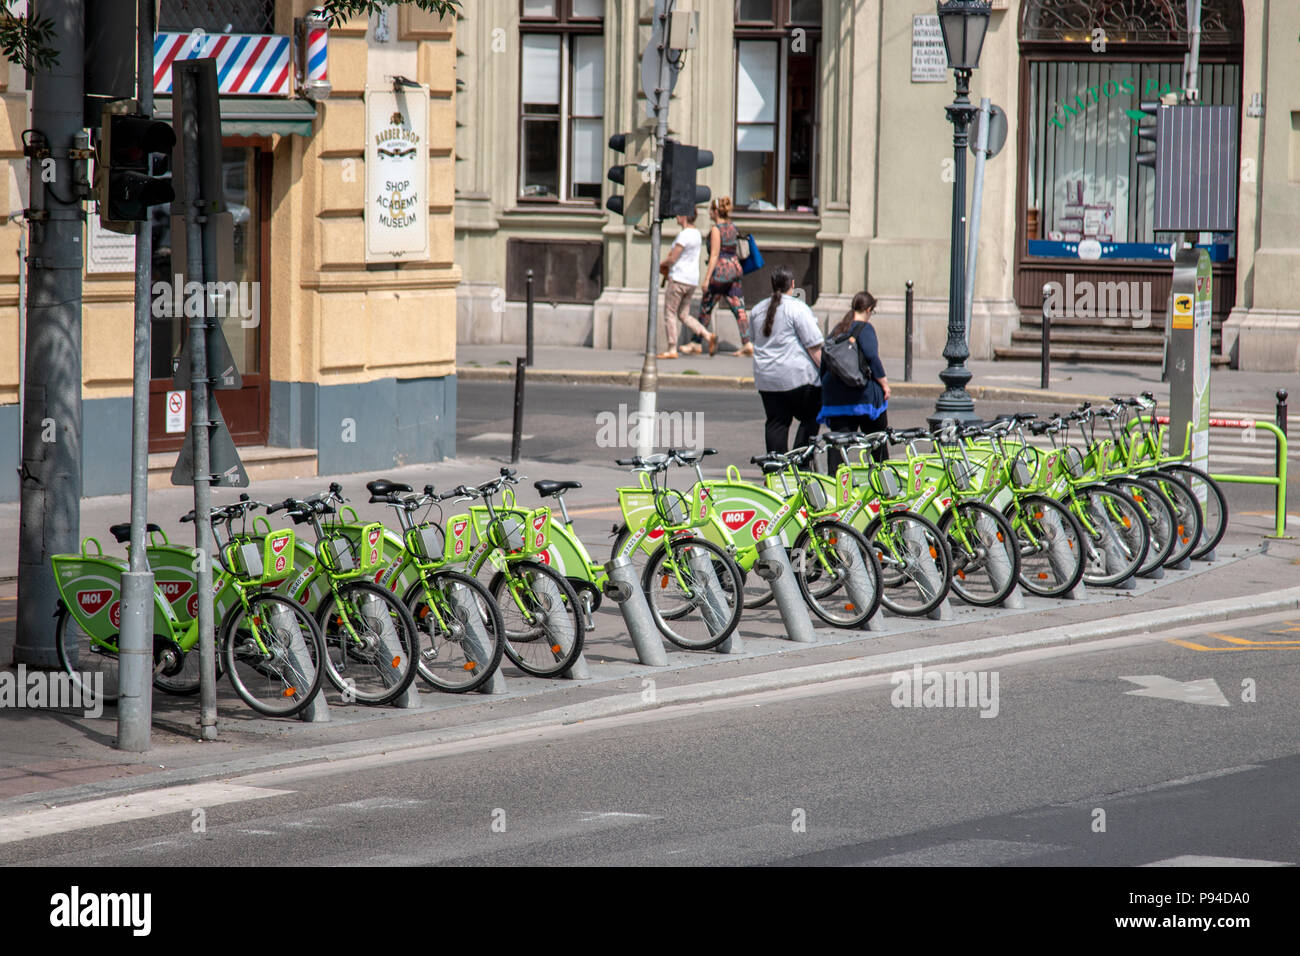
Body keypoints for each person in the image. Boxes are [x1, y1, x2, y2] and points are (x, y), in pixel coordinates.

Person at [750, 265, 824, 454]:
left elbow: (753, 340)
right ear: (792, 284)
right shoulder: (798, 308)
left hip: (767, 379)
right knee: (813, 415)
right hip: (797, 378)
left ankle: (776, 470)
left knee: (776, 422)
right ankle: (800, 461)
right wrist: (826, 372)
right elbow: (814, 346)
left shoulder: (757, 309)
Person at [819, 290, 891, 470]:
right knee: (877, 438)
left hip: (836, 395)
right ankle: (883, 477)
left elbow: (825, 361)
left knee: (838, 445)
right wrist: (884, 384)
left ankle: (836, 483)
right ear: (868, 310)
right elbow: (872, 357)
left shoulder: (837, 329)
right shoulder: (865, 329)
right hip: (862, 395)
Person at [699, 196, 752, 356]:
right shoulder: (732, 227)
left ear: (716, 212)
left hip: (721, 273)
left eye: (710, 210)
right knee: (739, 308)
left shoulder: (717, 229)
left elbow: (714, 255)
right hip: (734, 270)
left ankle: (696, 341)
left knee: (706, 306)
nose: (709, 212)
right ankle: (747, 343)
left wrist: (706, 279)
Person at [657, 212, 714, 358]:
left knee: (670, 313)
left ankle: (671, 348)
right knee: (683, 315)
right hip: (691, 280)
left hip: (678, 278)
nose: (676, 216)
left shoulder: (684, 235)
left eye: (678, 214)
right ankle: (707, 336)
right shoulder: (696, 234)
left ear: (684, 216)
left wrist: (660, 264)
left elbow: (672, 258)